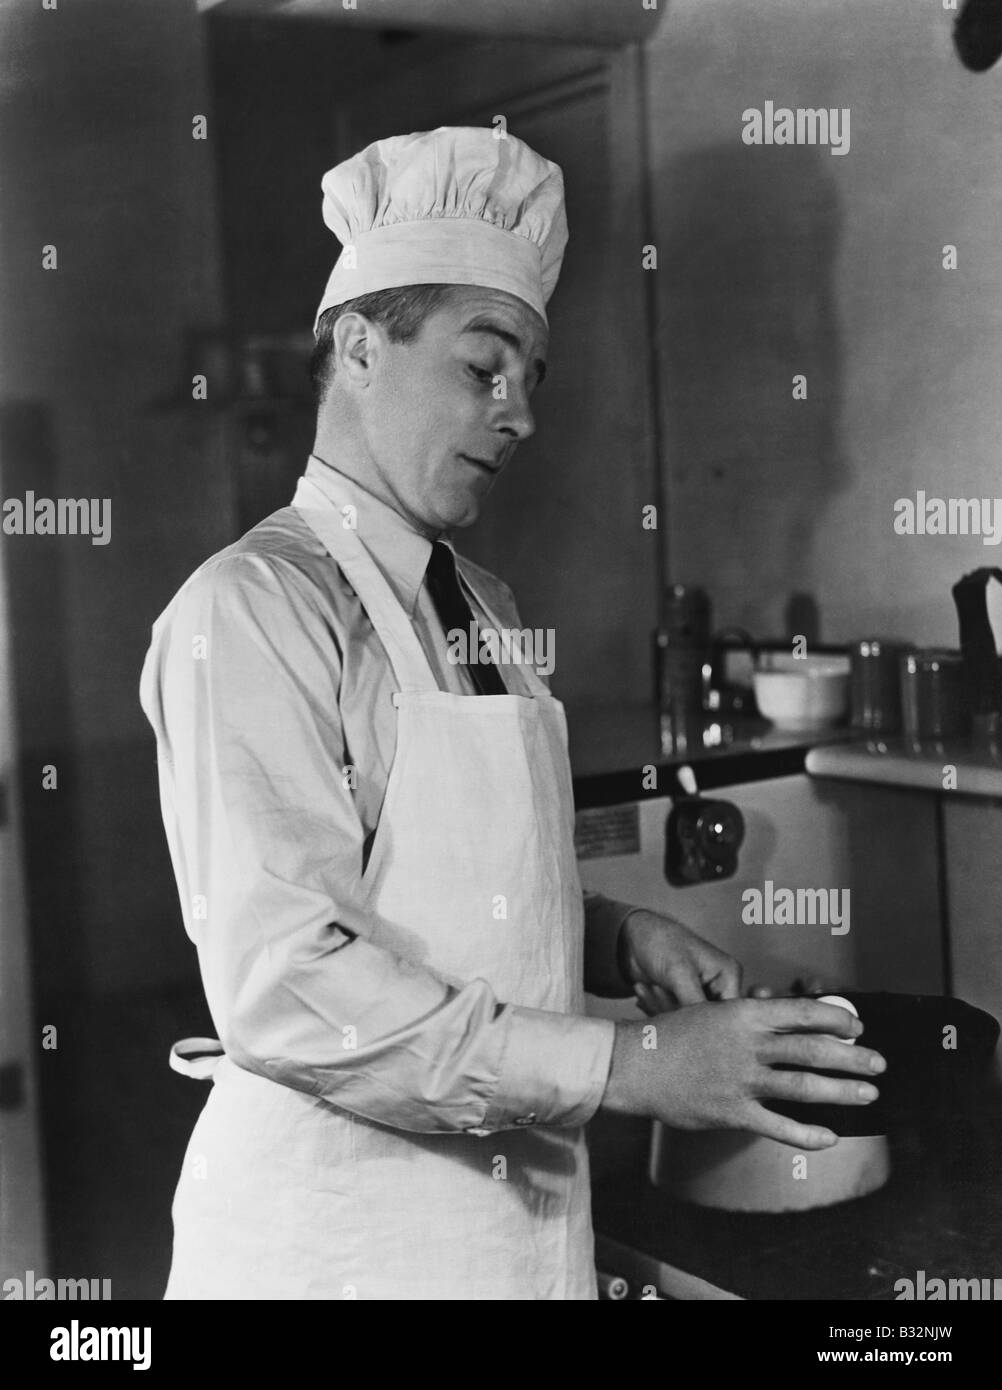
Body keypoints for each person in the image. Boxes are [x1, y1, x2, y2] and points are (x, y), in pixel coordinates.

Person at [139, 127, 885, 1301]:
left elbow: (438, 883)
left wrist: (613, 937)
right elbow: (296, 984)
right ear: (358, 346)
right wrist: (631, 1064)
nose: (519, 412)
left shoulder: (476, 603)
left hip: (512, 1230)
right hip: (338, 1249)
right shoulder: (249, 609)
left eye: (531, 378)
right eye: (484, 366)